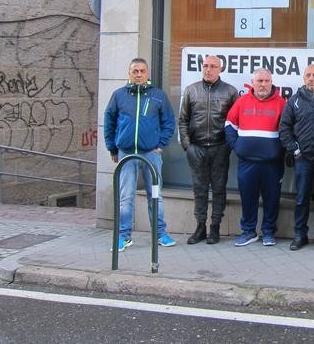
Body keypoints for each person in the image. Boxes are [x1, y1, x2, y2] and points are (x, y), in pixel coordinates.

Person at [104, 58, 177, 252]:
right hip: (126, 153)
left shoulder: (157, 96)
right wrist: (112, 148)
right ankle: (123, 236)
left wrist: (160, 145)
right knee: (126, 197)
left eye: (142, 71)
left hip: (150, 154)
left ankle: (160, 233)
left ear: (147, 74)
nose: (138, 74)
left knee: (155, 196)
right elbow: (109, 122)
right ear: (129, 73)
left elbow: (169, 122)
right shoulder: (119, 95)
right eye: (135, 71)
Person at [178, 55, 238, 245]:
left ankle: (215, 228)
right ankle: (200, 227)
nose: (208, 69)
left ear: (220, 69)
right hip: (197, 148)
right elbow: (183, 120)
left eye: (213, 66)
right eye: (205, 66)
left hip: (220, 148)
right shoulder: (191, 90)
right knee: (200, 189)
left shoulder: (230, 91)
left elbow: (235, 122)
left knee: (219, 189)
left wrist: (229, 146)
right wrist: (187, 146)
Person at [278, 64, 314, 251]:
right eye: (308, 75)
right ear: (303, 78)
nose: (311, 78)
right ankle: (299, 234)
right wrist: (294, 149)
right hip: (302, 157)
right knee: (302, 197)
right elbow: (284, 127)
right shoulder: (294, 101)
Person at [225, 68, 286, 247]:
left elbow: (288, 130)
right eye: (259, 81)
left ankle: (268, 232)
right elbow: (229, 125)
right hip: (247, 162)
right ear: (253, 83)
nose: (263, 84)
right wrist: (237, 147)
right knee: (248, 197)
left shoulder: (281, 103)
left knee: (272, 199)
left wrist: (280, 150)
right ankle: (249, 232)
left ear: (271, 82)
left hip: (272, 164)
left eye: (266, 81)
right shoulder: (242, 102)